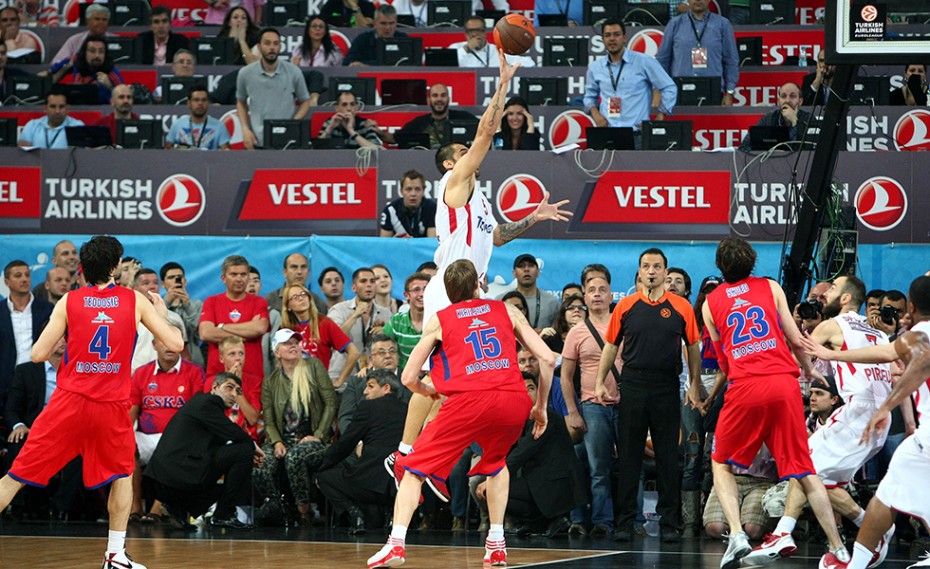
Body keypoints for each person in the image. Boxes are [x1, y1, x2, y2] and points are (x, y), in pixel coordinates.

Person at [384, 50, 572, 498]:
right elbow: (486, 133)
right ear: (451, 164)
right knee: (437, 377)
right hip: (448, 288)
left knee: (457, 383)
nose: (470, 153)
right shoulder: (454, 184)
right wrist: (502, 84)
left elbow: (498, 238)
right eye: (462, 152)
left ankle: (425, 459)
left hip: (471, 291)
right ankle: (404, 453)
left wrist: (534, 217)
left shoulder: (479, 201)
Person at [0, 235, 183, 569]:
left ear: (82, 267)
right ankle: (114, 556)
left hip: (69, 402)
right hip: (111, 406)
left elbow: (38, 354)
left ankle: (116, 556)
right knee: (122, 476)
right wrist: (162, 312)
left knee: (14, 477)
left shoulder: (69, 301)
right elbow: (176, 343)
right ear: (115, 267)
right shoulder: (135, 300)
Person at [367, 258, 554, 569]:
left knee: (412, 469)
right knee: (496, 463)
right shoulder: (507, 310)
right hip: (512, 399)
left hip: (468, 400)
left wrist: (429, 390)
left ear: (448, 292)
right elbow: (547, 359)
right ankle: (496, 544)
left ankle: (395, 543)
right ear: (478, 285)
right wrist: (541, 407)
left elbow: (408, 377)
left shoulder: (440, 320)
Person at [698, 237, 849, 569]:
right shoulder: (770, 287)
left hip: (745, 386)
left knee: (720, 462)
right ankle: (838, 547)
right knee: (804, 470)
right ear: (752, 262)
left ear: (720, 266)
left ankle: (737, 535)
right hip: (783, 383)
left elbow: (723, 360)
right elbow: (796, 339)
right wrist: (808, 369)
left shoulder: (710, 304)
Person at [742, 275, 894, 566]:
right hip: (880, 417)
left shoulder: (833, 324)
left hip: (858, 412)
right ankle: (873, 527)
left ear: (846, 298)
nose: (825, 295)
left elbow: (795, 357)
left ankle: (784, 532)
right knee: (821, 481)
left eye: (833, 288)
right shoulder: (877, 332)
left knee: (803, 465)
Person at [802, 275, 930, 569]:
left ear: (910, 307)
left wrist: (830, 353)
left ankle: (853, 563)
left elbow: (887, 354)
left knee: (884, 498)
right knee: (909, 492)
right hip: (921, 434)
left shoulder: (920, 334)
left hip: (925, 434)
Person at [594, 248, 699, 543]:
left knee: (668, 457)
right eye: (646, 266)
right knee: (629, 456)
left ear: (665, 272)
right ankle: (625, 522)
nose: (651, 271)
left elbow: (693, 347)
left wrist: (694, 384)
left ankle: (670, 524)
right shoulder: (626, 306)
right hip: (633, 384)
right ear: (639, 272)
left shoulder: (681, 307)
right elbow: (611, 347)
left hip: (666, 385)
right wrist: (600, 381)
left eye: (656, 266)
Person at [144, 372, 264, 530]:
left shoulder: (205, 406)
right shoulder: (207, 403)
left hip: (170, 475)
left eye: (238, 391)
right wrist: (254, 448)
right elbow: (234, 432)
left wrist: (247, 459)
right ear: (214, 387)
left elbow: (223, 443)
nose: (234, 394)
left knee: (238, 458)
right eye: (229, 387)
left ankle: (179, 507)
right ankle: (223, 514)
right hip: (173, 475)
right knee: (244, 449)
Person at [253, 329, 336, 526]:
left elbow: (330, 402)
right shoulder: (270, 381)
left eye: (296, 342)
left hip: (313, 438)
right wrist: (277, 442)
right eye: (287, 343)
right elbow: (269, 421)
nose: (293, 346)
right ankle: (280, 509)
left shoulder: (313, 366)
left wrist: (318, 435)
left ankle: (304, 512)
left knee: (294, 457)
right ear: (277, 352)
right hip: (283, 439)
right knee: (261, 463)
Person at [561, 274, 621, 535]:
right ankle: (602, 522)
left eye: (602, 289)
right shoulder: (577, 332)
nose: (597, 294)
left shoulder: (624, 326)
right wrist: (573, 412)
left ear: (611, 296)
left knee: (633, 467)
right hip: (592, 406)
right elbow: (565, 377)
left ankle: (635, 521)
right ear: (584, 298)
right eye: (592, 290)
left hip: (626, 405)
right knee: (598, 469)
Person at [128, 322, 205, 522]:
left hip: (179, 438)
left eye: (174, 340)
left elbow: (198, 413)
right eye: (163, 340)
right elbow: (131, 412)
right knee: (126, 447)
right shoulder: (141, 373)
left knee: (171, 447)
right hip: (146, 436)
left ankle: (157, 508)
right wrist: (123, 436)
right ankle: (135, 507)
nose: (169, 345)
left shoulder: (194, 372)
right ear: (154, 344)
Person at [317, 368, 407, 534]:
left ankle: (355, 515)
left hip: (371, 483)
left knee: (325, 477)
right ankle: (391, 515)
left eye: (370, 386)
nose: (365, 392)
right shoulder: (407, 408)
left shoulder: (368, 407)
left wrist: (323, 465)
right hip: (401, 484)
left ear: (386, 388)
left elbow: (346, 443)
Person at [584, 18, 677, 138]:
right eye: (607, 35)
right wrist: (595, 113)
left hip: (636, 134)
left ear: (624, 38)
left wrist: (661, 114)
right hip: (607, 132)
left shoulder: (644, 61)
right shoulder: (595, 67)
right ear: (602, 39)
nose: (612, 39)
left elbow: (669, 87)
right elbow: (589, 96)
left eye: (616, 34)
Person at [236, 27, 312, 150]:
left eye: (276, 43)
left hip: (287, 142)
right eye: (267, 43)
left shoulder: (294, 72)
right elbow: (241, 102)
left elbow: (305, 101)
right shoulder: (245, 73)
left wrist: (292, 124)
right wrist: (245, 129)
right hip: (257, 141)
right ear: (259, 47)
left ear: (280, 47)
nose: (272, 47)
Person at [198, 254, 270, 382]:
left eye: (243, 274)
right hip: (217, 377)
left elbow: (260, 328)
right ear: (223, 278)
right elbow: (206, 333)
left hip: (252, 377)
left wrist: (222, 326)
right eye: (233, 274)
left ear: (248, 277)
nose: (239, 279)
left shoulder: (259, 302)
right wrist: (246, 333)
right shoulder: (211, 302)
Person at [655, 0, 739, 106]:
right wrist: (659, 90)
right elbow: (663, 60)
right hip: (680, 90)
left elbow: (731, 60)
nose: (698, 0)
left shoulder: (723, 24)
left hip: (713, 91)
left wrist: (730, 92)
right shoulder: (674, 24)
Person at [281, 282, 360, 389]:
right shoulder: (285, 329)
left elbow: (354, 352)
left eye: (303, 294)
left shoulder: (325, 324)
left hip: (318, 388)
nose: (301, 298)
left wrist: (339, 381)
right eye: (295, 297)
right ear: (288, 306)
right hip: (292, 387)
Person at [328, 267, 393, 384]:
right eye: (363, 281)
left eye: (372, 281)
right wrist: (355, 315)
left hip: (373, 380)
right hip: (341, 377)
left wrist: (385, 333)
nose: (369, 285)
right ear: (354, 287)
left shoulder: (386, 314)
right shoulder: (338, 310)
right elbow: (333, 341)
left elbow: (392, 347)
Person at [394, 83, 479, 149]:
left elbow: (483, 130)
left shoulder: (464, 118)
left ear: (448, 99)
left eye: (443, 95)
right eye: (435, 95)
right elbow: (395, 138)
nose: (439, 99)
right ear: (429, 100)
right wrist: (383, 133)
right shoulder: (419, 123)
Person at [49, 35, 124, 104]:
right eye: (92, 51)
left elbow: (123, 99)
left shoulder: (112, 73)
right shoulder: (75, 60)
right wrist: (65, 68)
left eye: (101, 51)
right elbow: (49, 76)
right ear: (84, 52)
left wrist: (110, 86)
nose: (97, 55)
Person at [738, 82, 812, 151]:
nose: (787, 100)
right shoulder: (769, 118)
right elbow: (743, 147)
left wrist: (795, 123)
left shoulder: (809, 119)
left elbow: (809, 151)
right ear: (778, 102)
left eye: (792, 96)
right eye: (783, 96)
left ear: (800, 101)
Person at [382, 272, 431, 369]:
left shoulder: (439, 321)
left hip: (433, 375)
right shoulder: (397, 321)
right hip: (403, 375)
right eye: (416, 290)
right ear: (406, 295)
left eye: (426, 289)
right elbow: (381, 346)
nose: (422, 294)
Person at [499, 254, 559, 330]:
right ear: (514, 273)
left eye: (531, 266)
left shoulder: (552, 302)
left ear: (538, 272)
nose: (526, 269)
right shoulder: (500, 301)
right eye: (521, 266)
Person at [165, 84, 231, 150]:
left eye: (204, 100)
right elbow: (167, 151)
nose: (200, 103)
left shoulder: (219, 126)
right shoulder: (177, 124)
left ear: (208, 103)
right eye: (196, 100)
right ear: (189, 103)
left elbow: (226, 153)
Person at [454, 16, 535, 69]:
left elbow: (529, 63)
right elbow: (447, 64)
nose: (474, 34)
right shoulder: (456, 48)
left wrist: (509, 67)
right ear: (465, 34)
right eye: (470, 31)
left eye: (478, 30)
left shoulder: (497, 50)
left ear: (484, 33)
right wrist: (466, 48)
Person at [18, 87, 83, 148]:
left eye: (61, 107)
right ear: (45, 108)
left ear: (67, 108)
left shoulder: (77, 126)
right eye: (53, 106)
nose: (57, 111)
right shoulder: (32, 126)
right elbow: (23, 152)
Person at [380, 170, 437, 238]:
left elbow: (432, 242)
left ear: (423, 191)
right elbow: (385, 242)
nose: (413, 194)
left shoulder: (432, 208)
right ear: (401, 191)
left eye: (417, 189)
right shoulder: (390, 210)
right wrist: (395, 241)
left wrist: (412, 242)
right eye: (408, 189)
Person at [317, 90, 381, 149]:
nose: (349, 108)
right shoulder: (330, 122)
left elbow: (377, 149)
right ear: (337, 108)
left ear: (356, 107)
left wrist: (351, 131)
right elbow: (317, 149)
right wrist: (330, 128)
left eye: (352, 104)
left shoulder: (365, 124)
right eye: (344, 104)